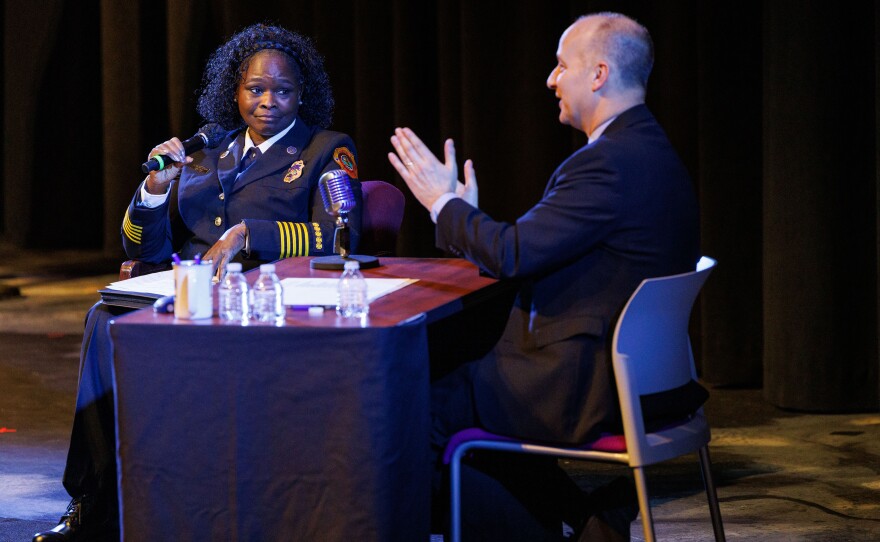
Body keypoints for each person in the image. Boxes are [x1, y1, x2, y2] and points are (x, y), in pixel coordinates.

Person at [34, 23, 361, 542]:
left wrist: (246, 234)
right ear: (235, 90)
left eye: (283, 90)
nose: (268, 101)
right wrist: (153, 189)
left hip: (261, 301)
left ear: (304, 94)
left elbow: (336, 237)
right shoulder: (206, 149)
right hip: (186, 292)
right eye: (256, 88)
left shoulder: (325, 149)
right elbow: (141, 249)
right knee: (104, 317)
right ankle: (93, 500)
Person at [389, 12, 701, 541]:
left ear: (598, 75)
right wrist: (467, 218)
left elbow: (512, 254)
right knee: (465, 376)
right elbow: (531, 251)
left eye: (561, 66)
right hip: (648, 383)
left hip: (583, 386)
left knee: (415, 403)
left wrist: (442, 203)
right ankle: (586, 520)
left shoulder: (606, 164)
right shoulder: (653, 151)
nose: (551, 79)